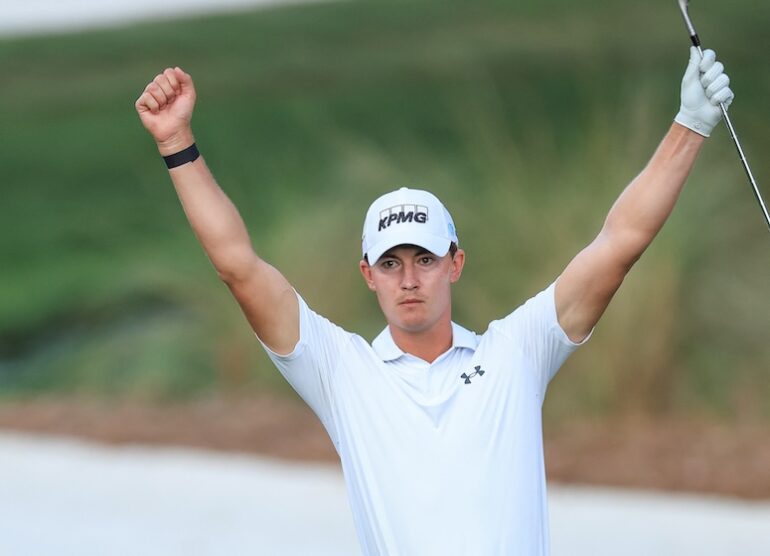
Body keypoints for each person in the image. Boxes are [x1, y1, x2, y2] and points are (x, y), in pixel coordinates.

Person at [135, 46, 733, 555]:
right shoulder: (344, 373)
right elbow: (239, 268)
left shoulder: (515, 353)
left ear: (456, 263)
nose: (410, 279)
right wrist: (177, 142)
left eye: (424, 258)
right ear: (368, 275)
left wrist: (690, 124)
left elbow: (618, 244)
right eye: (391, 263)